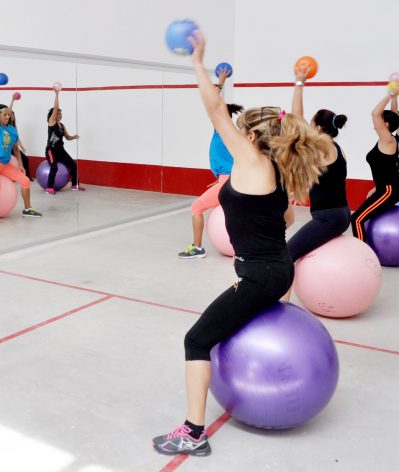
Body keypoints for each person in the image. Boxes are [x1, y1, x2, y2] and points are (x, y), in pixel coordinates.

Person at [152, 30, 333, 457]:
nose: (231, 132)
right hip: (277, 267)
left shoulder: (252, 161)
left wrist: (198, 63)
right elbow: (286, 217)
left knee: (197, 340)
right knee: (219, 328)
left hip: (260, 274)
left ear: (251, 138)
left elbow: (215, 112)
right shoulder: (276, 169)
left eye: (239, 131)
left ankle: (193, 433)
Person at [285, 66, 351, 262]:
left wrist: (299, 83)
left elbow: (296, 117)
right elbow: (327, 179)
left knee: (288, 253)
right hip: (340, 213)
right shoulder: (336, 148)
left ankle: (280, 294)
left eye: (311, 124)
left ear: (319, 128)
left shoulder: (323, 148)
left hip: (329, 218)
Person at [178, 66, 244, 259]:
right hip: (231, 179)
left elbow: (214, 102)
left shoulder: (222, 129)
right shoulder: (233, 134)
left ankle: (197, 248)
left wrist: (221, 80)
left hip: (228, 182)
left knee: (196, 208)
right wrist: (221, 179)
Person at [350, 84, 399, 242]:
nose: (377, 121)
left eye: (381, 120)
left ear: (385, 125)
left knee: (357, 219)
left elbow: (375, 113)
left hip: (390, 190)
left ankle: (363, 254)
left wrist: (390, 93)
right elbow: (394, 115)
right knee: (359, 217)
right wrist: (395, 97)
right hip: (385, 187)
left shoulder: (388, 140)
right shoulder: (386, 139)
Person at [0, 80, 42, 226]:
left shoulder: (12, 130)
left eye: (8, 115)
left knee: (25, 180)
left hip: (4, 164)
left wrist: (21, 165)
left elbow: (16, 149)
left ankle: (27, 209)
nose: (7, 116)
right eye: (4, 114)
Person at [45, 87, 83, 194]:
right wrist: (57, 94)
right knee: (54, 167)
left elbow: (67, 137)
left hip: (60, 150)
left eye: (60, 114)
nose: (59, 115)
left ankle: (75, 185)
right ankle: (49, 187)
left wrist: (73, 137)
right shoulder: (51, 122)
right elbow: (56, 108)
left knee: (73, 165)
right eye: (57, 113)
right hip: (51, 150)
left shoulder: (62, 125)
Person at [8, 96, 32, 178]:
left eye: (13, 115)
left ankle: (27, 176)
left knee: (25, 159)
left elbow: (17, 139)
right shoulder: (6, 125)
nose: (12, 116)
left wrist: (22, 147)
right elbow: (8, 110)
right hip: (6, 148)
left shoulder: (14, 127)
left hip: (14, 148)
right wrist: (12, 100)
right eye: (10, 114)